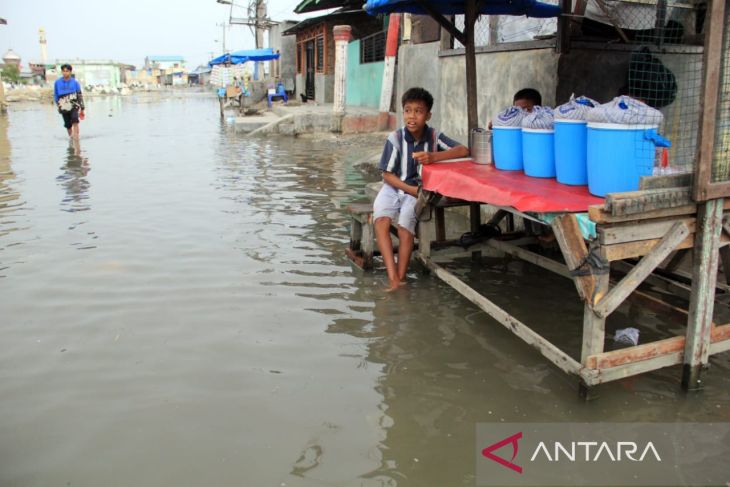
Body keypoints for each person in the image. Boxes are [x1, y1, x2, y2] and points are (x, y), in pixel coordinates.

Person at [373, 87, 469, 291]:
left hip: (420, 190)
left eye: (418, 111)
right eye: (408, 110)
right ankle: (393, 278)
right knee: (381, 220)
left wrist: (434, 157)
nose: (412, 116)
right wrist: (409, 189)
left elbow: (463, 150)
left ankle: (402, 276)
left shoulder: (434, 137)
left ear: (428, 115)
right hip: (395, 186)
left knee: (405, 226)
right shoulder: (395, 138)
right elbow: (387, 175)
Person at [54, 64, 85, 138]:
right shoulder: (57, 83)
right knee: (68, 124)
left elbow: (79, 95)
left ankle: (76, 138)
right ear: (61, 72)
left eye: (67, 71)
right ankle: (71, 138)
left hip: (74, 103)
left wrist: (82, 107)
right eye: (63, 71)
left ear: (70, 72)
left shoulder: (75, 82)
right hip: (63, 104)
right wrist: (58, 104)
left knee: (75, 120)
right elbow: (56, 94)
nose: (65, 73)